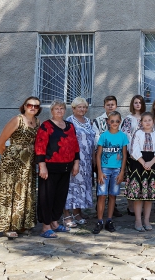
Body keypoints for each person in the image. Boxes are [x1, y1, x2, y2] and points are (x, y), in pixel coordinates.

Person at [0, 96, 40, 238]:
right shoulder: (17, 120)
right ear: (24, 106)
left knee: (25, 192)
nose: (32, 107)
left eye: (36, 106)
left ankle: (22, 224)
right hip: (12, 163)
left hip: (28, 163)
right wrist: (8, 158)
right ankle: (7, 226)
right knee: (9, 194)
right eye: (30, 105)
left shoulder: (37, 122)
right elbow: (0, 142)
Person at [34, 100, 80, 238]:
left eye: (61, 108)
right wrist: (42, 166)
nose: (59, 111)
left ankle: (54, 223)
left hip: (66, 167)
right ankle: (45, 227)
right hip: (50, 168)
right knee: (47, 197)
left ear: (65, 110)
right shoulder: (46, 126)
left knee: (60, 197)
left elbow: (75, 146)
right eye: (56, 108)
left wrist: (76, 163)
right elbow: (40, 147)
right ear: (52, 111)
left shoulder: (70, 126)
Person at [92, 112, 129, 234]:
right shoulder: (104, 136)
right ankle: (99, 221)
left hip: (116, 170)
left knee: (113, 195)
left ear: (120, 122)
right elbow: (98, 155)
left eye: (117, 121)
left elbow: (124, 155)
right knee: (102, 195)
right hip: (104, 169)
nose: (114, 123)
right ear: (108, 121)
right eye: (112, 121)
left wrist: (122, 171)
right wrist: (99, 171)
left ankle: (109, 220)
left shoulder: (123, 136)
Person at [127, 112, 155, 231]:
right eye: (145, 120)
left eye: (149, 120)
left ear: (154, 122)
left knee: (150, 195)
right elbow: (134, 149)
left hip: (153, 163)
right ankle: (138, 220)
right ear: (141, 122)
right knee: (138, 195)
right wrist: (143, 163)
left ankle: (146, 220)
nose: (147, 122)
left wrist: (150, 163)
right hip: (138, 164)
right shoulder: (137, 133)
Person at [63, 97, 96, 227]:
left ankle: (77, 212)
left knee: (82, 187)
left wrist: (93, 158)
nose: (82, 109)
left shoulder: (88, 121)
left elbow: (92, 142)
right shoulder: (69, 122)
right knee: (71, 187)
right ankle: (66, 214)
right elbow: (67, 143)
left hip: (87, 161)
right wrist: (72, 161)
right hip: (74, 160)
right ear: (73, 108)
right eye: (80, 107)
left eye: (85, 107)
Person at [121, 95, 146, 217]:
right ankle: (130, 205)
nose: (138, 104)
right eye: (136, 102)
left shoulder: (146, 118)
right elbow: (126, 136)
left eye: (140, 102)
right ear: (132, 104)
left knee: (142, 180)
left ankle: (140, 205)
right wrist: (131, 152)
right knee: (132, 180)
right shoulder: (128, 119)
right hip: (132, 154)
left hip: (145, 154)